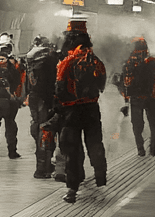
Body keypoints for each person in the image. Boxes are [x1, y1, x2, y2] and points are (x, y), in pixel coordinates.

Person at [54, 21, 106, 203]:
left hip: (71, 111)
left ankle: (72, 189)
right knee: (94, 142)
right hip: (92, 108)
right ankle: (100, 175)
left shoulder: (67, 62)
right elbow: (102, 85)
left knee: (72, 150)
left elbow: (59, 87)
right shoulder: (96, 61)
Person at [120, 37, 155, 158]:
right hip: (150, 98)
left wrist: (126, 98)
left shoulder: (129, 61)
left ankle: (140, 149)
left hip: (135, 98)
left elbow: (125, 81)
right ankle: (153, 148)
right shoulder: (151, 61)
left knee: (137, 125)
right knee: (153, 124)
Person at [23, 35, 58, 179]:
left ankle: (42, 165)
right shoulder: (49, 61)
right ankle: (42, 168)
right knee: (46, 131)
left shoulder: (31, 61)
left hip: (33, 98)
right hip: (45, 100)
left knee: (37, 127)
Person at [0, 33, 25, 160]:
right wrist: (18, 97)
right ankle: (12, 152)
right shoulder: (14, 62)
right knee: (11, 125)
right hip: (10, 99)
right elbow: (19, 80)